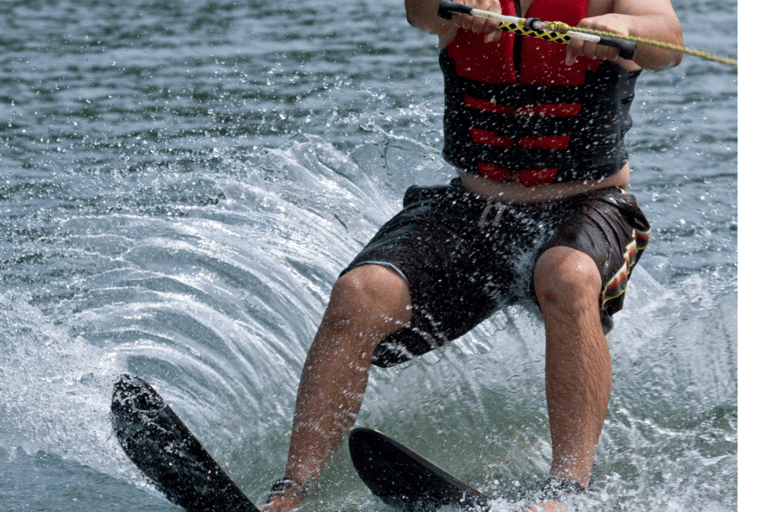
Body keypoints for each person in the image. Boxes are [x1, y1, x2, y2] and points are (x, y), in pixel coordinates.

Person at [260, 0, 683, 510]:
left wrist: (624, 30)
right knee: (360, 293)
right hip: (472, 209)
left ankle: (566, 492)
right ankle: (294, 488)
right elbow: (419, 11)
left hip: (588, 206)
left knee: (566, 275)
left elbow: (669, 42)